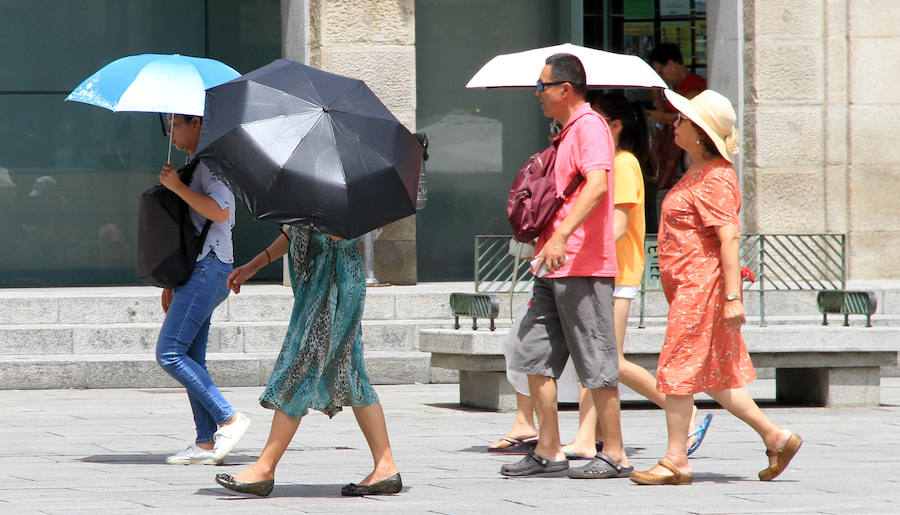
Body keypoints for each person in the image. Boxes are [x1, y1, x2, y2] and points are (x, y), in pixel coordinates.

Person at [630, 90, 802, 485]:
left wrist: (731, 297)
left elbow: (728, 237)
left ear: (701, 132)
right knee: (716, 377)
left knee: (676, 371)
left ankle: (676, 460)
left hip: (702, 288)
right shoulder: (698, 172)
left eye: (683, 120)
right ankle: (776, 437)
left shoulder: (715, 177)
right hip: (694, 287)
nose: (675, 124)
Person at [561, 93, 712, 469]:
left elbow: (620, 225)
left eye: (596, 120)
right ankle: (586, 437)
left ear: (614, 126)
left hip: (617, 273)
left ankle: (682, 410)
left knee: (609, 360)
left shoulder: (624, 164)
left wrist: (577, 248)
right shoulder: (608, 162)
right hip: (603, 271)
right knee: (594, 359)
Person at [500, 53, 631, 479]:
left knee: (596, 361)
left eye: (542, 86)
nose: (537, 94)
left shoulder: (590, 127)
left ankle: (615, 452)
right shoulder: (566, 132)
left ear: (565, 89)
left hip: (582, 264)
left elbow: (596, 186)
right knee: (530, 353)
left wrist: (559, 236)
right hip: (552, 264)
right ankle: (549, 448)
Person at [214, 226, 401, 497]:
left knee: (300, 369)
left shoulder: (343, 195)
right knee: (353, 374)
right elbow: (295, 233)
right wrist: (254, 265)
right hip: (320, 284)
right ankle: (385, 467)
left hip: (333, 284)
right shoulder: (316, 194)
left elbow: (339, 234)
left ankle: (264, 469)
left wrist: (318, 213)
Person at [155, 113, 251, 466]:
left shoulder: (212, 164)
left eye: (175, 123)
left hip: (210, 267)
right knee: (191, 357)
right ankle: (206, 442)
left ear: (195, 123)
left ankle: (229, 418)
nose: (170, 131)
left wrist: (177, 187)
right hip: (198, 270)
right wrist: (172, 280)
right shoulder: (195, 163)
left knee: (169, 353)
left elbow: (222, 211)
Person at [645, 43, 708, 231]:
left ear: (671, 63)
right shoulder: (677, 88)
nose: (662, 76)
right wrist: (657, 99)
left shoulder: (694, 84)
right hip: (674, 149)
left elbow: (684, 115)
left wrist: (652, 115)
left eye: (661, 71)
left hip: (685, 153)